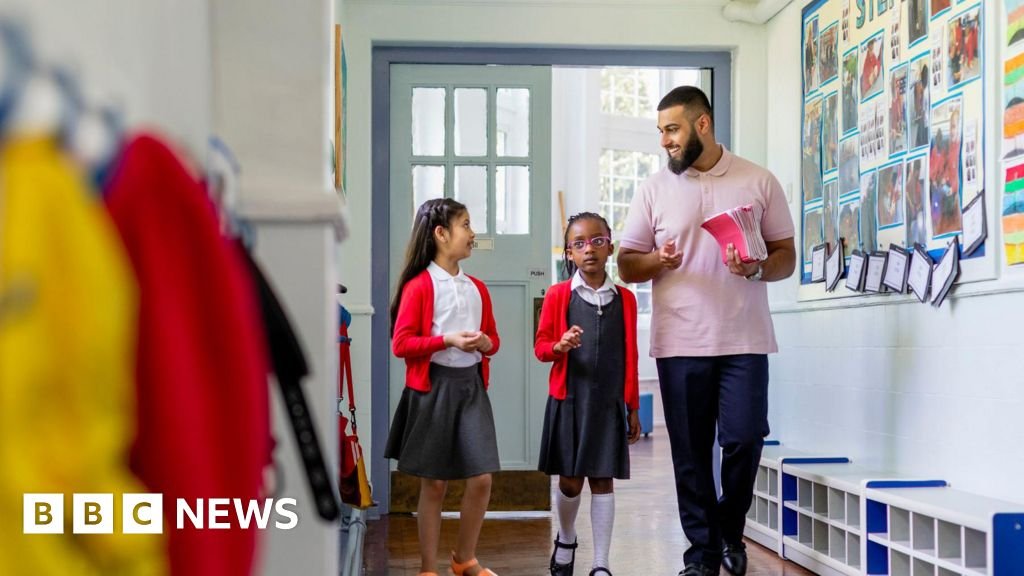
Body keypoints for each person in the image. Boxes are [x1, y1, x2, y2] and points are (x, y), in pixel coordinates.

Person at [617, 87, 796, 576]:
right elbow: (627, 263)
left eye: (671, 130)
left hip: (745, 338)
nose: (665, 142)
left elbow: (787, 255)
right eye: (660, 132)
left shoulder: (758, 181)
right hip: (680, 341)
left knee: (743, 439)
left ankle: (727, 531)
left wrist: (758, 268)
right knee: (691, 454)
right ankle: (703, 555)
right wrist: (659, 260)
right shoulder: (654, 189)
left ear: (702, 125)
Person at [385, 198, 502, 576]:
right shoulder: (419, 287)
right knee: (433, 484)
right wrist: (446, 341)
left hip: (470, 389)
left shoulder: (477, 289)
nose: (472, 233)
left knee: (481, 478)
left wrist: (485, 345)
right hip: (431, 390)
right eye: (466, 225)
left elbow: (494, 341)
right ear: (440, 234)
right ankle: (427, 568)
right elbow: (401, 344)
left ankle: (464, 558)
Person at [535, 212, 643, 576]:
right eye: (579, 244)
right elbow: (541, 348)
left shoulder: (626, 299)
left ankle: (601, 563)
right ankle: (566, 538)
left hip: (608, 403)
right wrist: (560, 346)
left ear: (610, 246)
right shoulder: (557, 296)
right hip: (569, 400)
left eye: (597, 241)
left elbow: (631, 355)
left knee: (602, 479)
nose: (590, 250)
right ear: (569, 253)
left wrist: (632, 406)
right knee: (570, 480)